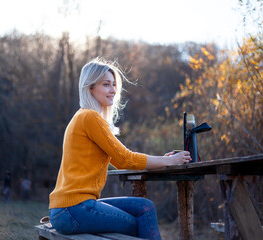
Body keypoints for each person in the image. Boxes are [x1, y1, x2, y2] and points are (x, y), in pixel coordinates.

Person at [48, 57, 191, 240]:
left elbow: (120, 161)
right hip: (73, 209)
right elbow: (126, 159)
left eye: (114, 84)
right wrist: (169, 161)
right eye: (106, 84)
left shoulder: (84, 117)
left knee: (145, 207)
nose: (113, 90)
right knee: (141, 221)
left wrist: (163, 160)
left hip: (72, 208)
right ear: (90, 87)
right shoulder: (89, 117)